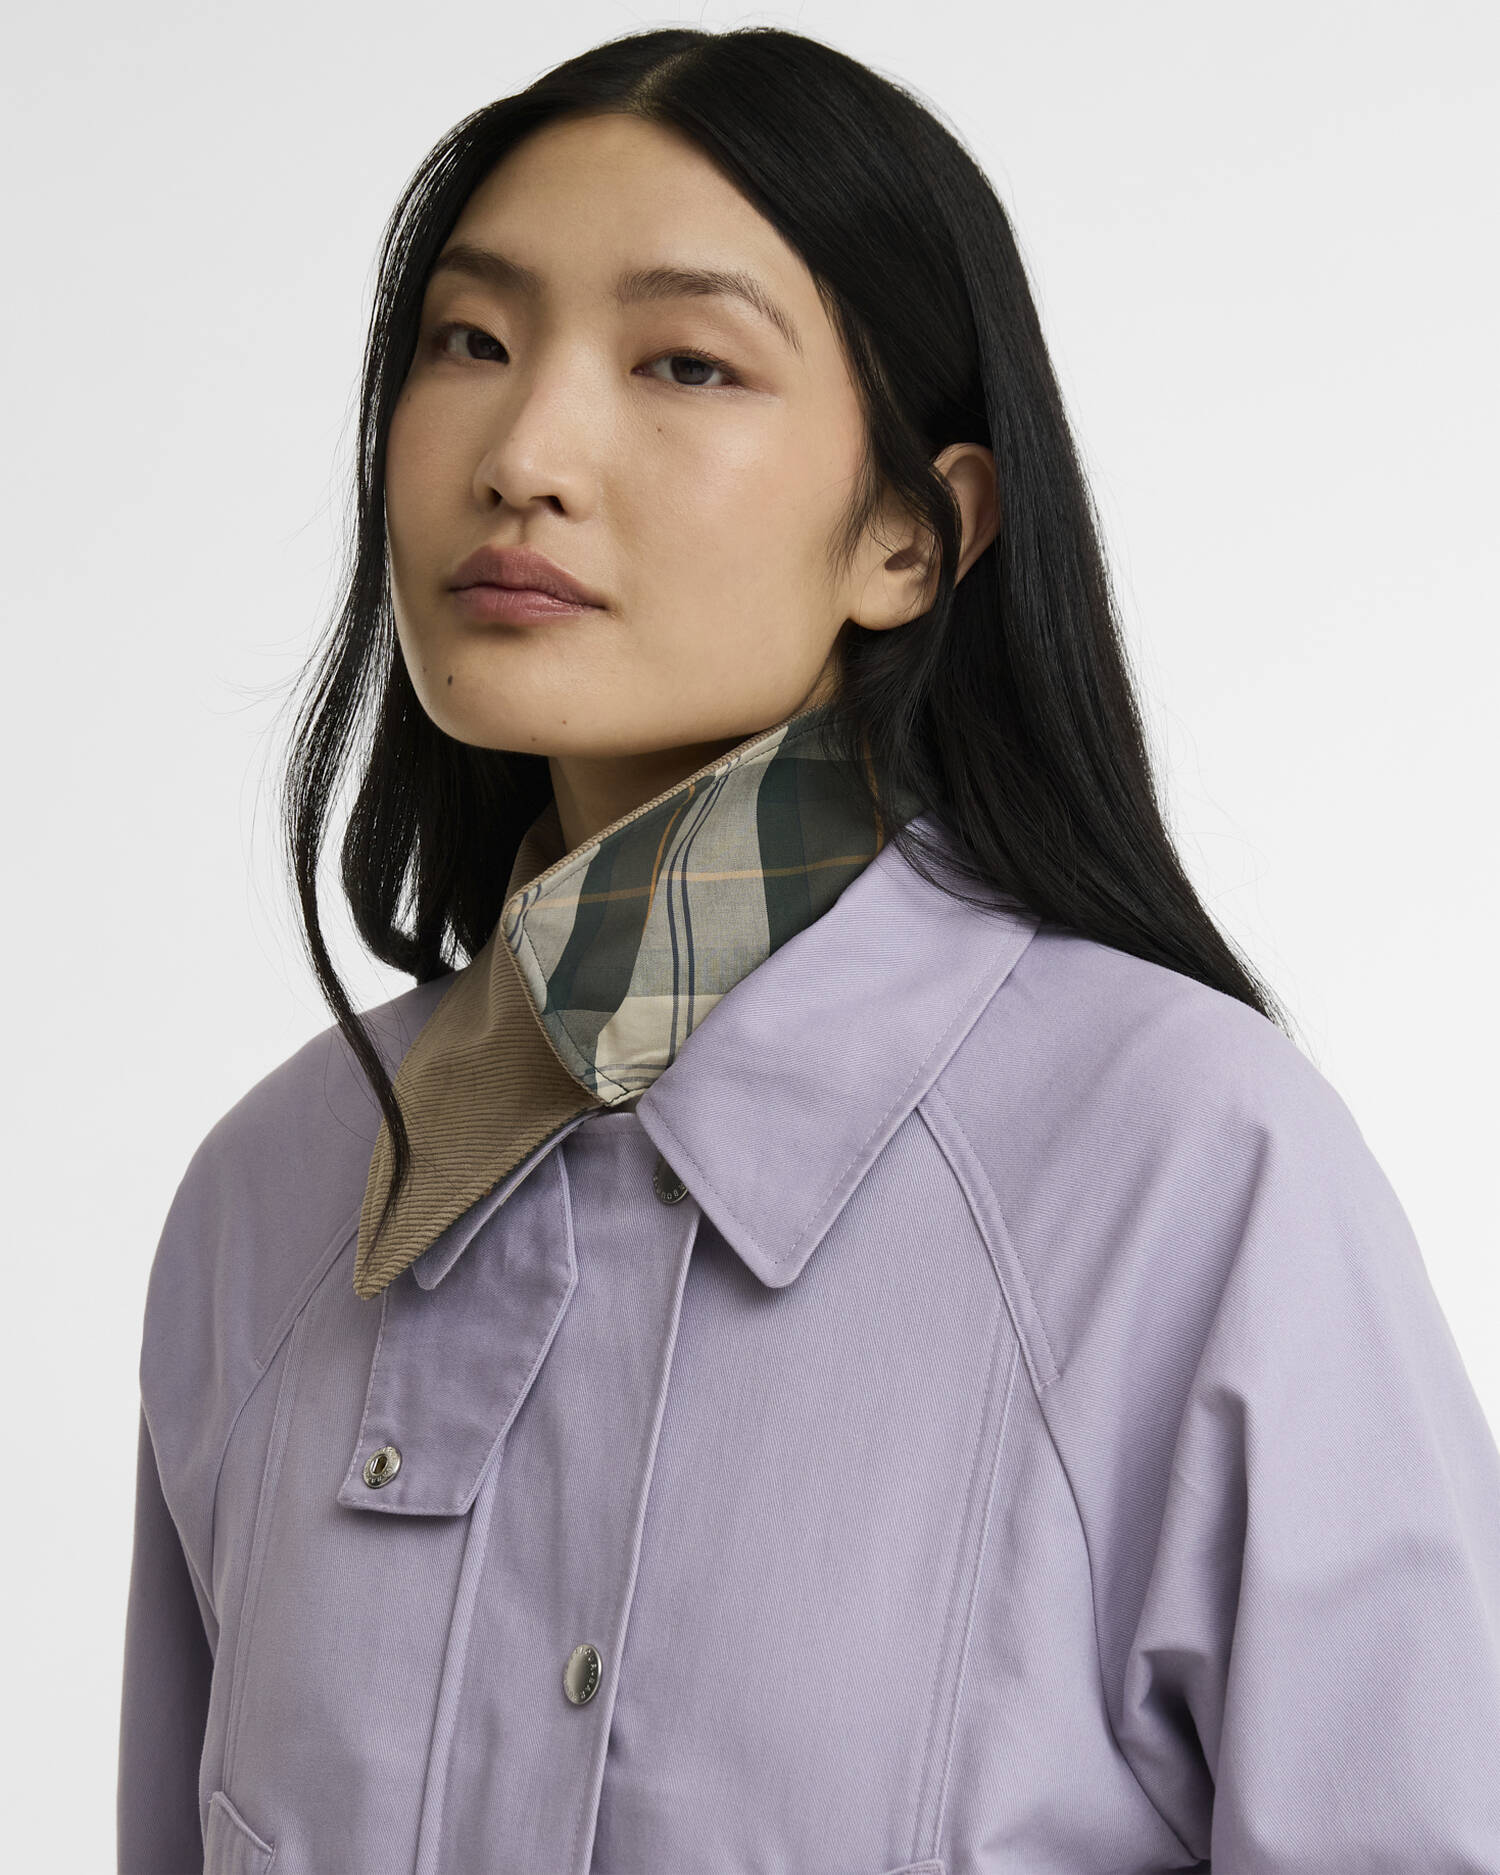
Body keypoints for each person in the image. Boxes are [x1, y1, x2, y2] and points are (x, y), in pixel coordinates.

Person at [117, 24, 1500, 1875]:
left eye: (685, 361)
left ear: (914, 539)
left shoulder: (1182, 1165)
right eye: (471, 341)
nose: (523, 454)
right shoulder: (275, 1202)